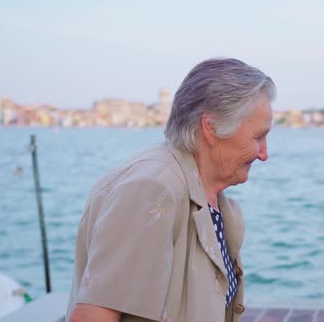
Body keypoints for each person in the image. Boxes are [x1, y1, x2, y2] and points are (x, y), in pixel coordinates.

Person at [66, 58, 276, 322]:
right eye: (257, 137)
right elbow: (92, 316)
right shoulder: (152, 189)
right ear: (211, 128)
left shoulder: (209, 197)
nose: (264, 154)